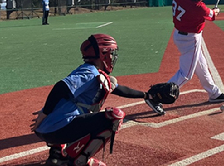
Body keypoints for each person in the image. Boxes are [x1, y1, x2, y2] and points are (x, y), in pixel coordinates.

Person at [31, 34, 158, 166]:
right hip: (57, 130)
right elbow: (61, 87)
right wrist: (45, 112)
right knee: (114, 117)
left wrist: (147, 96)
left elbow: (120, 89)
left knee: (78, 113)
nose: (113, 57)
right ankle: (80, 160)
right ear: (102, 54)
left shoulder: (91, 71)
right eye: (110, 53)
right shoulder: (90, 73)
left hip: (49, 130)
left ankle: (57, 155)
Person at [146, 0, 224, 114]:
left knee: (201, 64)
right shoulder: (198, 8)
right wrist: (216, 11)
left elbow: (192, 0)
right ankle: (156, 97)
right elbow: (211, 15)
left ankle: (214, 93)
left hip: (178, 35)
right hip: (191, 39)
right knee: (186, 74)